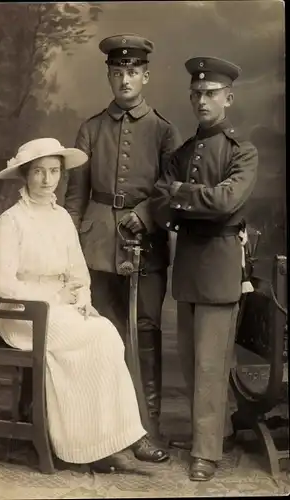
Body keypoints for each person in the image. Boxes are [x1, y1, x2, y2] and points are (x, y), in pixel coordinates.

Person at [0, 138, 169, 473]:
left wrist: (83, 300)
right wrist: (50, 300)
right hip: (22, 314)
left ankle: (113, 438)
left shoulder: (61, 219)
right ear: (25, 176)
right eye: (39, 172)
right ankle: (80, 443)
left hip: (60, 308)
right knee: (89, 339)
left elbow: (77, 270)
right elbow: (3, 285)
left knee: (104, 332)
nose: (48, 179)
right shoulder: (11, 220)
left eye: (55, 171)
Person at [64, 34, 182, 439]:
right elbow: (75, 196)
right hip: (96, 244)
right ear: (109, 76)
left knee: (145, 331)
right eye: (118, 73)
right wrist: (70, 250)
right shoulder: (91, 128)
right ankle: (104, 429)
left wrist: (145, 215)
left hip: (145, 248)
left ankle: (147, 429)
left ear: (146, 76)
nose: (125, 80)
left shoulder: (164, 131)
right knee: (101, 334)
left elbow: (171, 189)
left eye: (133, 72)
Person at [150, 57, 258, 481]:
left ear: (228, 98)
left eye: (210, 93)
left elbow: (226, 202)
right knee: (191, 362)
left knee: (212, 365)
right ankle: (208, 435)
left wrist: (180, 196)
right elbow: (161, 206)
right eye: (196, 93)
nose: (201, 100)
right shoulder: (181, 153)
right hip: (190, 264)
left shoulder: (242, 152)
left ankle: (206, 452)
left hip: (220, 264)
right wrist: (190, 200)